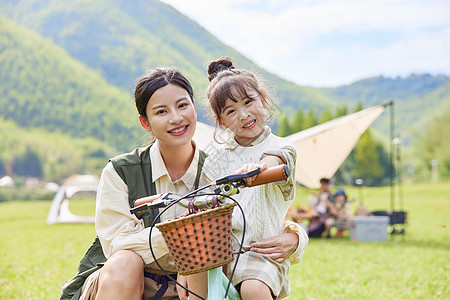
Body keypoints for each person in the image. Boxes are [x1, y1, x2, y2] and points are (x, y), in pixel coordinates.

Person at [60, 67, 304, 300]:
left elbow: (250, 211)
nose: (176, 118)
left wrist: (295, 236)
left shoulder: (218, 168)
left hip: (186, 284)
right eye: (161, 112)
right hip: (122, 282)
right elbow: (116, 243)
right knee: (126, 261)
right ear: (146, 122)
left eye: (182, 105)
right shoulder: (121, 171)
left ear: (195, 108)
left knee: (204, 266)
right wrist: (185, 238)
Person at [200, 57, 308, 299]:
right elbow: (206, 205)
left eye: (248, 102)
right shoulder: (215, 160)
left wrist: (257, 169)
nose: (244, 115)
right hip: (223, 255)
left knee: (253, 288)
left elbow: (277, 159)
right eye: (231, 110)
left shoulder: (281, 146)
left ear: (263, 97)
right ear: (221, 121)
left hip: (264, 253)